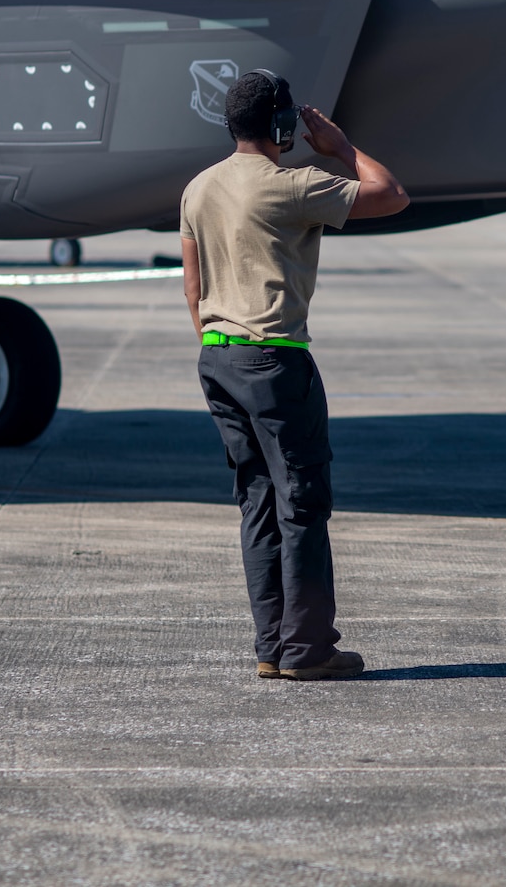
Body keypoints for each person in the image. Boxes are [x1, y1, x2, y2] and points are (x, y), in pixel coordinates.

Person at [179, 72, 408, 681]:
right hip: (276, 359)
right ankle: (308, 649)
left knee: (257, 502)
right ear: (283, 127)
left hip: (219, 357)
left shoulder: (198, 189)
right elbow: (390, 193)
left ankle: (271, 646)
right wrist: (340, 147)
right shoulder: (292, 185)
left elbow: (194, 287)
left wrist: (216, 343)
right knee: (302, 503)